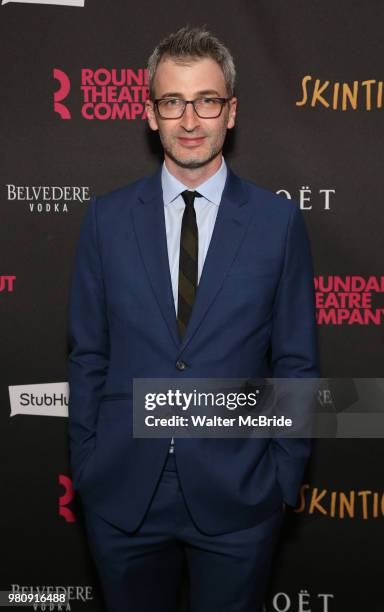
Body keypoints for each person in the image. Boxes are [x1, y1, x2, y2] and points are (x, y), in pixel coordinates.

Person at [67, 25, 319, 612]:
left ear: (230, 111)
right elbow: (87, 354)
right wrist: (88, 465)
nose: (189, 119)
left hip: (238, 495)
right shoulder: (105, 221)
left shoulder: (278, 224)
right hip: (123, 493)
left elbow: (296, 362)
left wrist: (283, 476)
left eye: (206, 100)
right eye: (172, 101)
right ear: (151, 113)